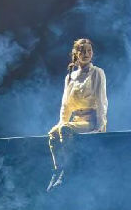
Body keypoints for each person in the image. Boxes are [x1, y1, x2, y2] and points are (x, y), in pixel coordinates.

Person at [46, 38, 108, 191]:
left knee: (65, 129)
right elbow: (65, 105)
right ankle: (58, 169)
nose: (86, 54)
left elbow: (101, 100)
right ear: (76, 53)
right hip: (76, 120)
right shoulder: (70, 77)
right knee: (53, 132)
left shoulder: (97, 73)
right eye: (82, 51)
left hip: (90, 121)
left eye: (89, 51)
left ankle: (68, 170)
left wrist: (100, 125)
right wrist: (61, 122)